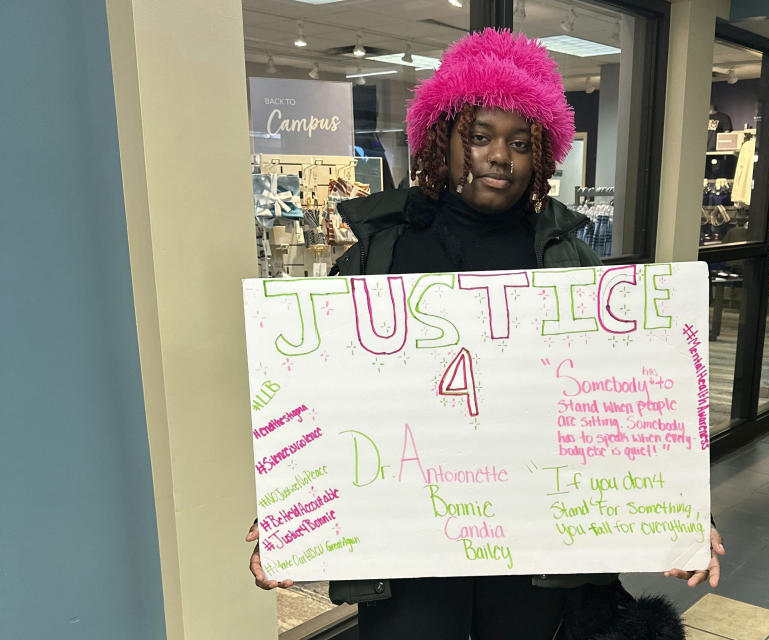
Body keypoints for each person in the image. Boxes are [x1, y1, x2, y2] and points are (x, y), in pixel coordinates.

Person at [246, 28, 723, 640]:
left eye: (520, 142)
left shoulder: (568, 261)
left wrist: (680, 512)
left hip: (533, 547)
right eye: (479, 135)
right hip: (408, 545)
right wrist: (287, 509)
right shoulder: (380, 254)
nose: (500, 155)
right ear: (440, 141)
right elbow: (317, 393)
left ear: (542, 155)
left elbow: (630, 400)